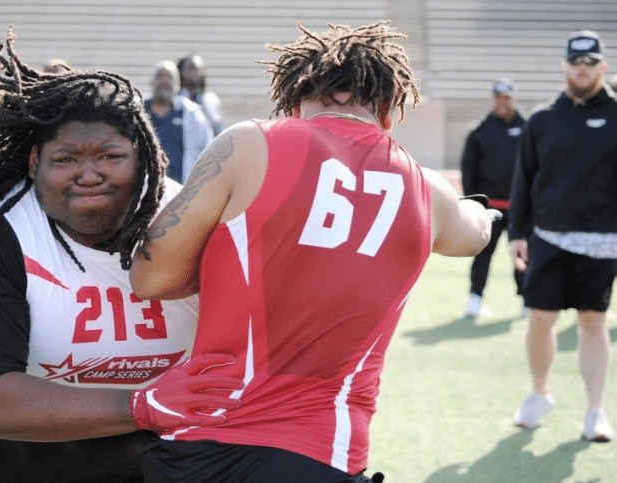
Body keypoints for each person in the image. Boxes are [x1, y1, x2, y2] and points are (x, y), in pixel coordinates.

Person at [128, 21, 494, 483]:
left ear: (295, 98)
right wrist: (482, 211)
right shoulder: (426, 190)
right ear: (385, 107)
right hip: (326, 452)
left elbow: (149, 278)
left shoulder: (248, 143)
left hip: (204, 445)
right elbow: (475, 234)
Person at [0, 28, 242, 483]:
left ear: (143, 157)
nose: (89, 174)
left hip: (146, 451)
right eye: (65, 159)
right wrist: (144, 404)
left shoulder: (191, 221)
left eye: (110, 155)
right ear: (34, 163)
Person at [508, 29, 616, 443]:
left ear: (602, 67)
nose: (583, 70)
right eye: (576, 63)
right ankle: (539, 394)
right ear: (564, 66)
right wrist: (517, 233)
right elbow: (525, 182)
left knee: (592, 322)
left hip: (603, 239)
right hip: (547, 236)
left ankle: (594, 412)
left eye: (591, 64)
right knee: (540, 320)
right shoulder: (541, 119)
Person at [460, 78, 526, 317]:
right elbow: (469, 171)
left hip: (520, 208)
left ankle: (525, 301)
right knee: (482, 253)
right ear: (493, 100)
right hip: (491, 208)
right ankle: (475, 299)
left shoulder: (528, 128)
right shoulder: (479, 131)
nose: (502, 103)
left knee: (523, 254)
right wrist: (473, 205)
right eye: (498, 99)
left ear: (513, 99)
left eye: (506, 98)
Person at [143, 60, 213, 183]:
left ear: (177, 83)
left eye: (169, 77)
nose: (164, 80)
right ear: (151, 81)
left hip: (180, 191)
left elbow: (208, 151)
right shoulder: (137, 111)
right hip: (143, 191)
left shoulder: (193, 114)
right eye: (160, 76)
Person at [177, 54, 225, 135]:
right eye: (190, 68)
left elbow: (219, 129)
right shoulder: (175, 99)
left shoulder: (212, 99)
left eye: (198, 69)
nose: (194, 72)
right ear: (181, 72)